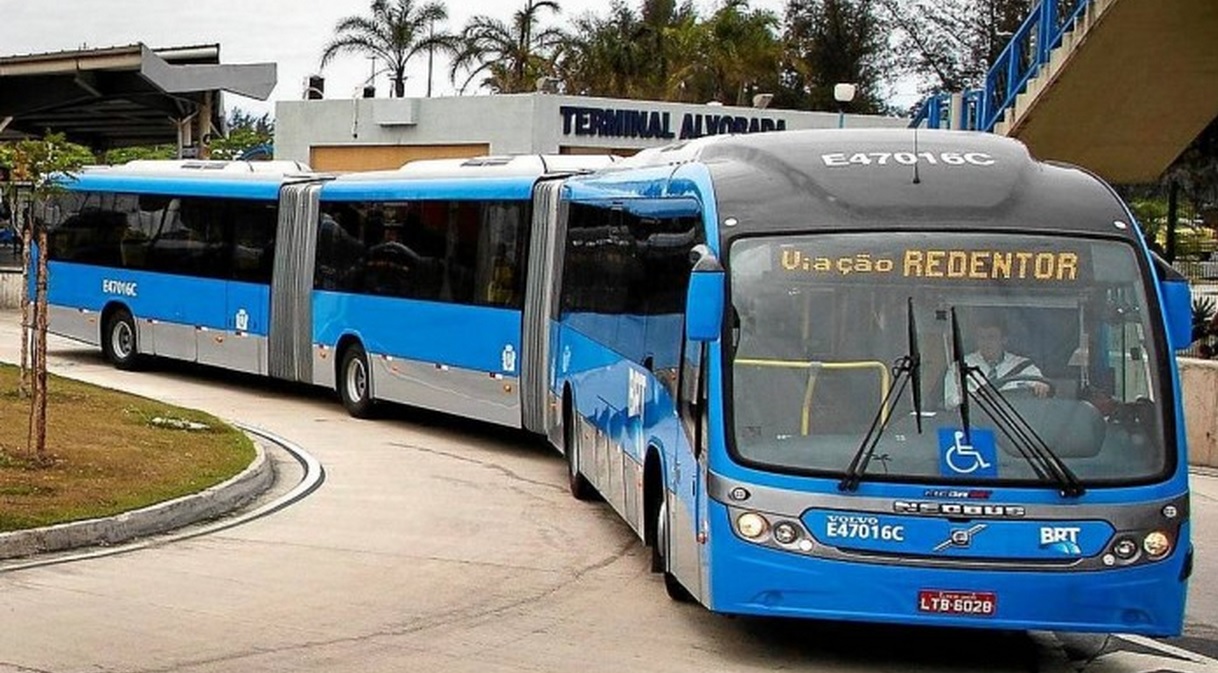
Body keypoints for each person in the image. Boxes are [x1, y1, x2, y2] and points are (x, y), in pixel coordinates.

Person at [943, 315, 1049, 408]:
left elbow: (1041, 384)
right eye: (982, 338)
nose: (986, 343)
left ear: (1004, 340)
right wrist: (969, 399)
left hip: (1015, 424)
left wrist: (1041, 386)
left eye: (991, 337)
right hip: (974, 424)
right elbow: (949, 401)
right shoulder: (960, 367)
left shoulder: (1024, 366)